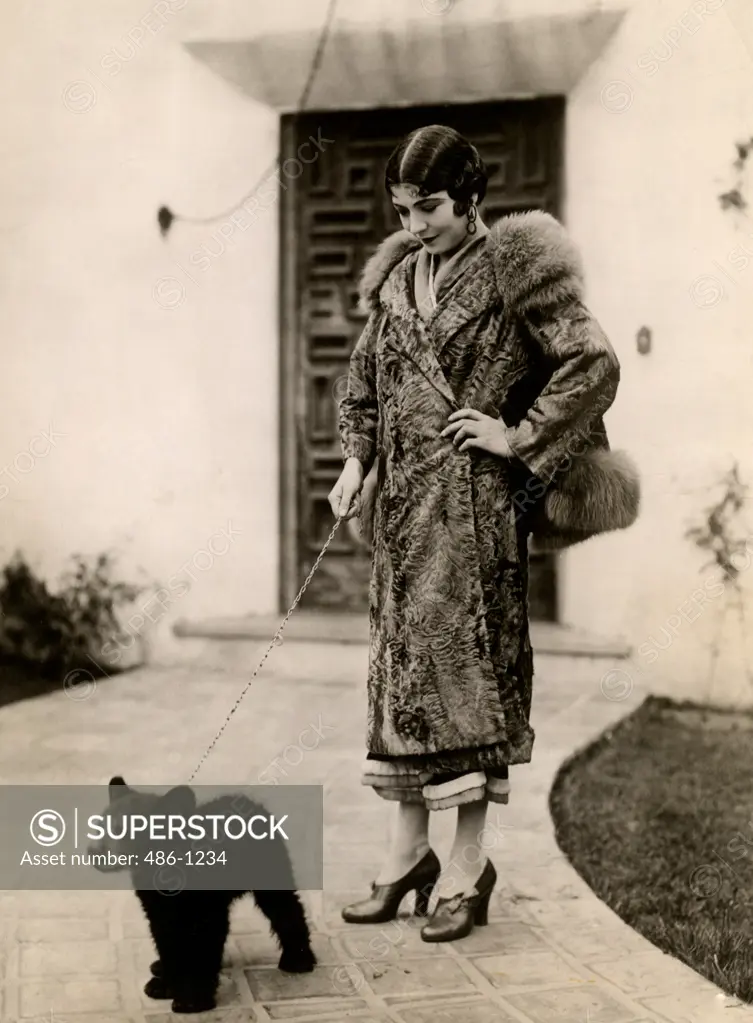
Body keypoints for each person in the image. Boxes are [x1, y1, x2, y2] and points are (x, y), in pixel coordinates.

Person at [328, 124, 620, 942]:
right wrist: (356, 462)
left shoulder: (515, 267)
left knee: (467, 683)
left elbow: (592, 361)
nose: (415, 223)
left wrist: (517, 434)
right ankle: (404, 857)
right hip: (401, 521)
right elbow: (362, 383)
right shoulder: (395, 279)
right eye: (402, 209)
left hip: (476, 513)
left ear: (471, 199)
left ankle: (465, 870)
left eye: (429, 208)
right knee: (400, 680)